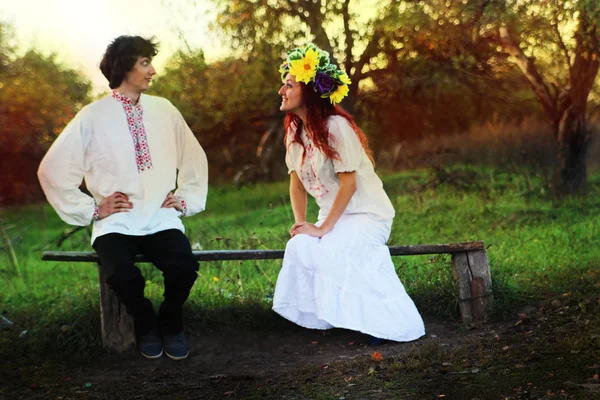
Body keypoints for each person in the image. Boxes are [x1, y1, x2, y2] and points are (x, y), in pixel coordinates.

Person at [37, 36, 208, 360]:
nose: (153, 70)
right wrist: (92, 208)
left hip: (159, 215)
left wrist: (185, 198)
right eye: (145, 63)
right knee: (122, 275)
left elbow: (193, 157)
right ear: (125, 68)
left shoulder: (164, 110)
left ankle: (171, 321)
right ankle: (144, 321)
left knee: (184, 266)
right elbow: (52, 169)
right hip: (116, 220)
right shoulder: (92, 116)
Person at [272, 43, 425, 343]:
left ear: (310, 92)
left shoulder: (336, 127)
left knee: (334, 248)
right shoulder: (294, 133)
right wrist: (302, 225)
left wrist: (322, 228)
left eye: (289, 84)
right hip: (331, 216)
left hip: (367, 214)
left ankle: (382, 323)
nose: (281, 90)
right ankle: (334, 317)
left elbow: (350, 184)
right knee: (299, 248)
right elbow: (296, 184)